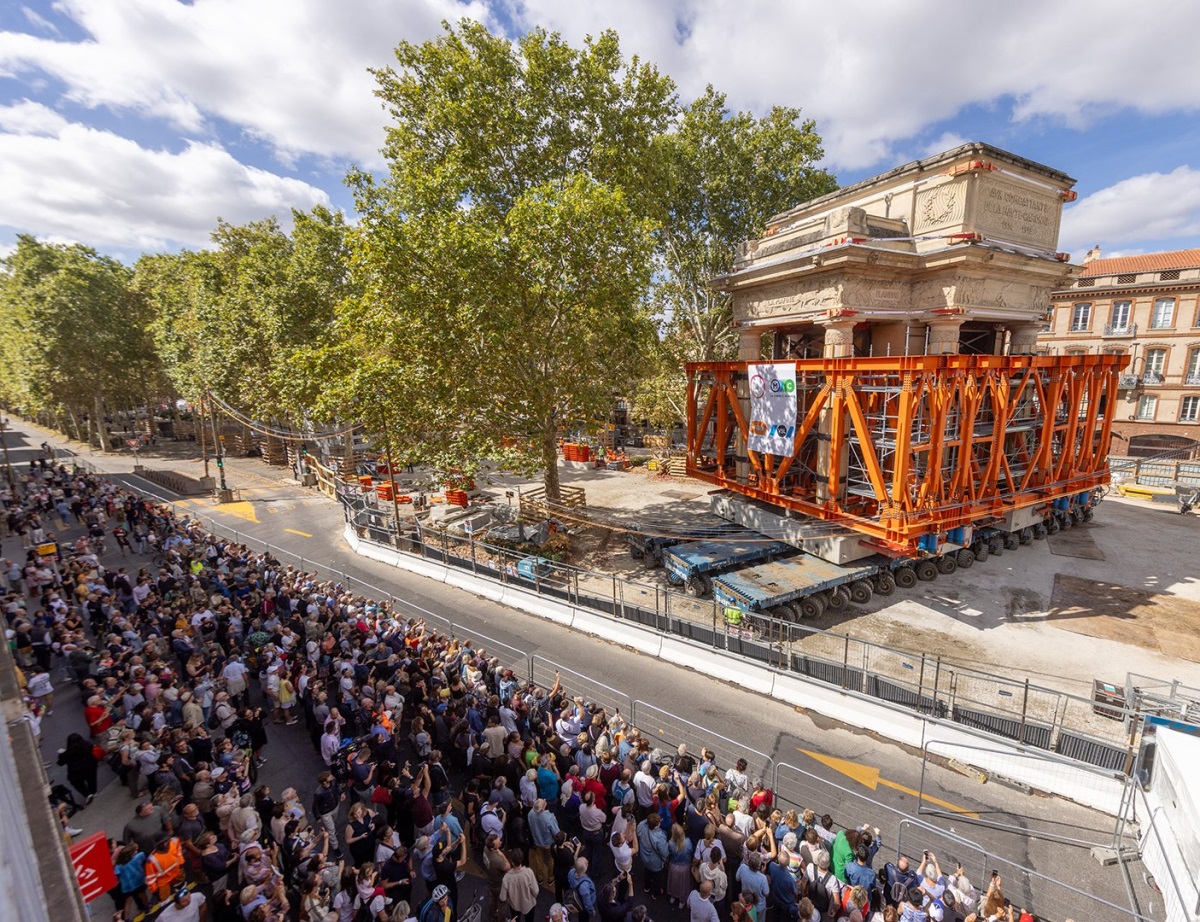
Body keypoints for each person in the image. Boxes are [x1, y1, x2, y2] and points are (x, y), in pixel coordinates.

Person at [499, 848, 540, 922]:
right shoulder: (529, 872)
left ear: (512, 861)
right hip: (529, 904)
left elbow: (503, 897)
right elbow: (536, 891)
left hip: (514, 906)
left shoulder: (507, 877)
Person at [567, 857, 598, 921]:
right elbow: (587, 903)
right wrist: (591, 911)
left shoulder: (571, 872)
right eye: (586, 863)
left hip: (576, 896)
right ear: (584, 869)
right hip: (582, 905)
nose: (587, 863)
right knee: (584, 918)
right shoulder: (584, 887)